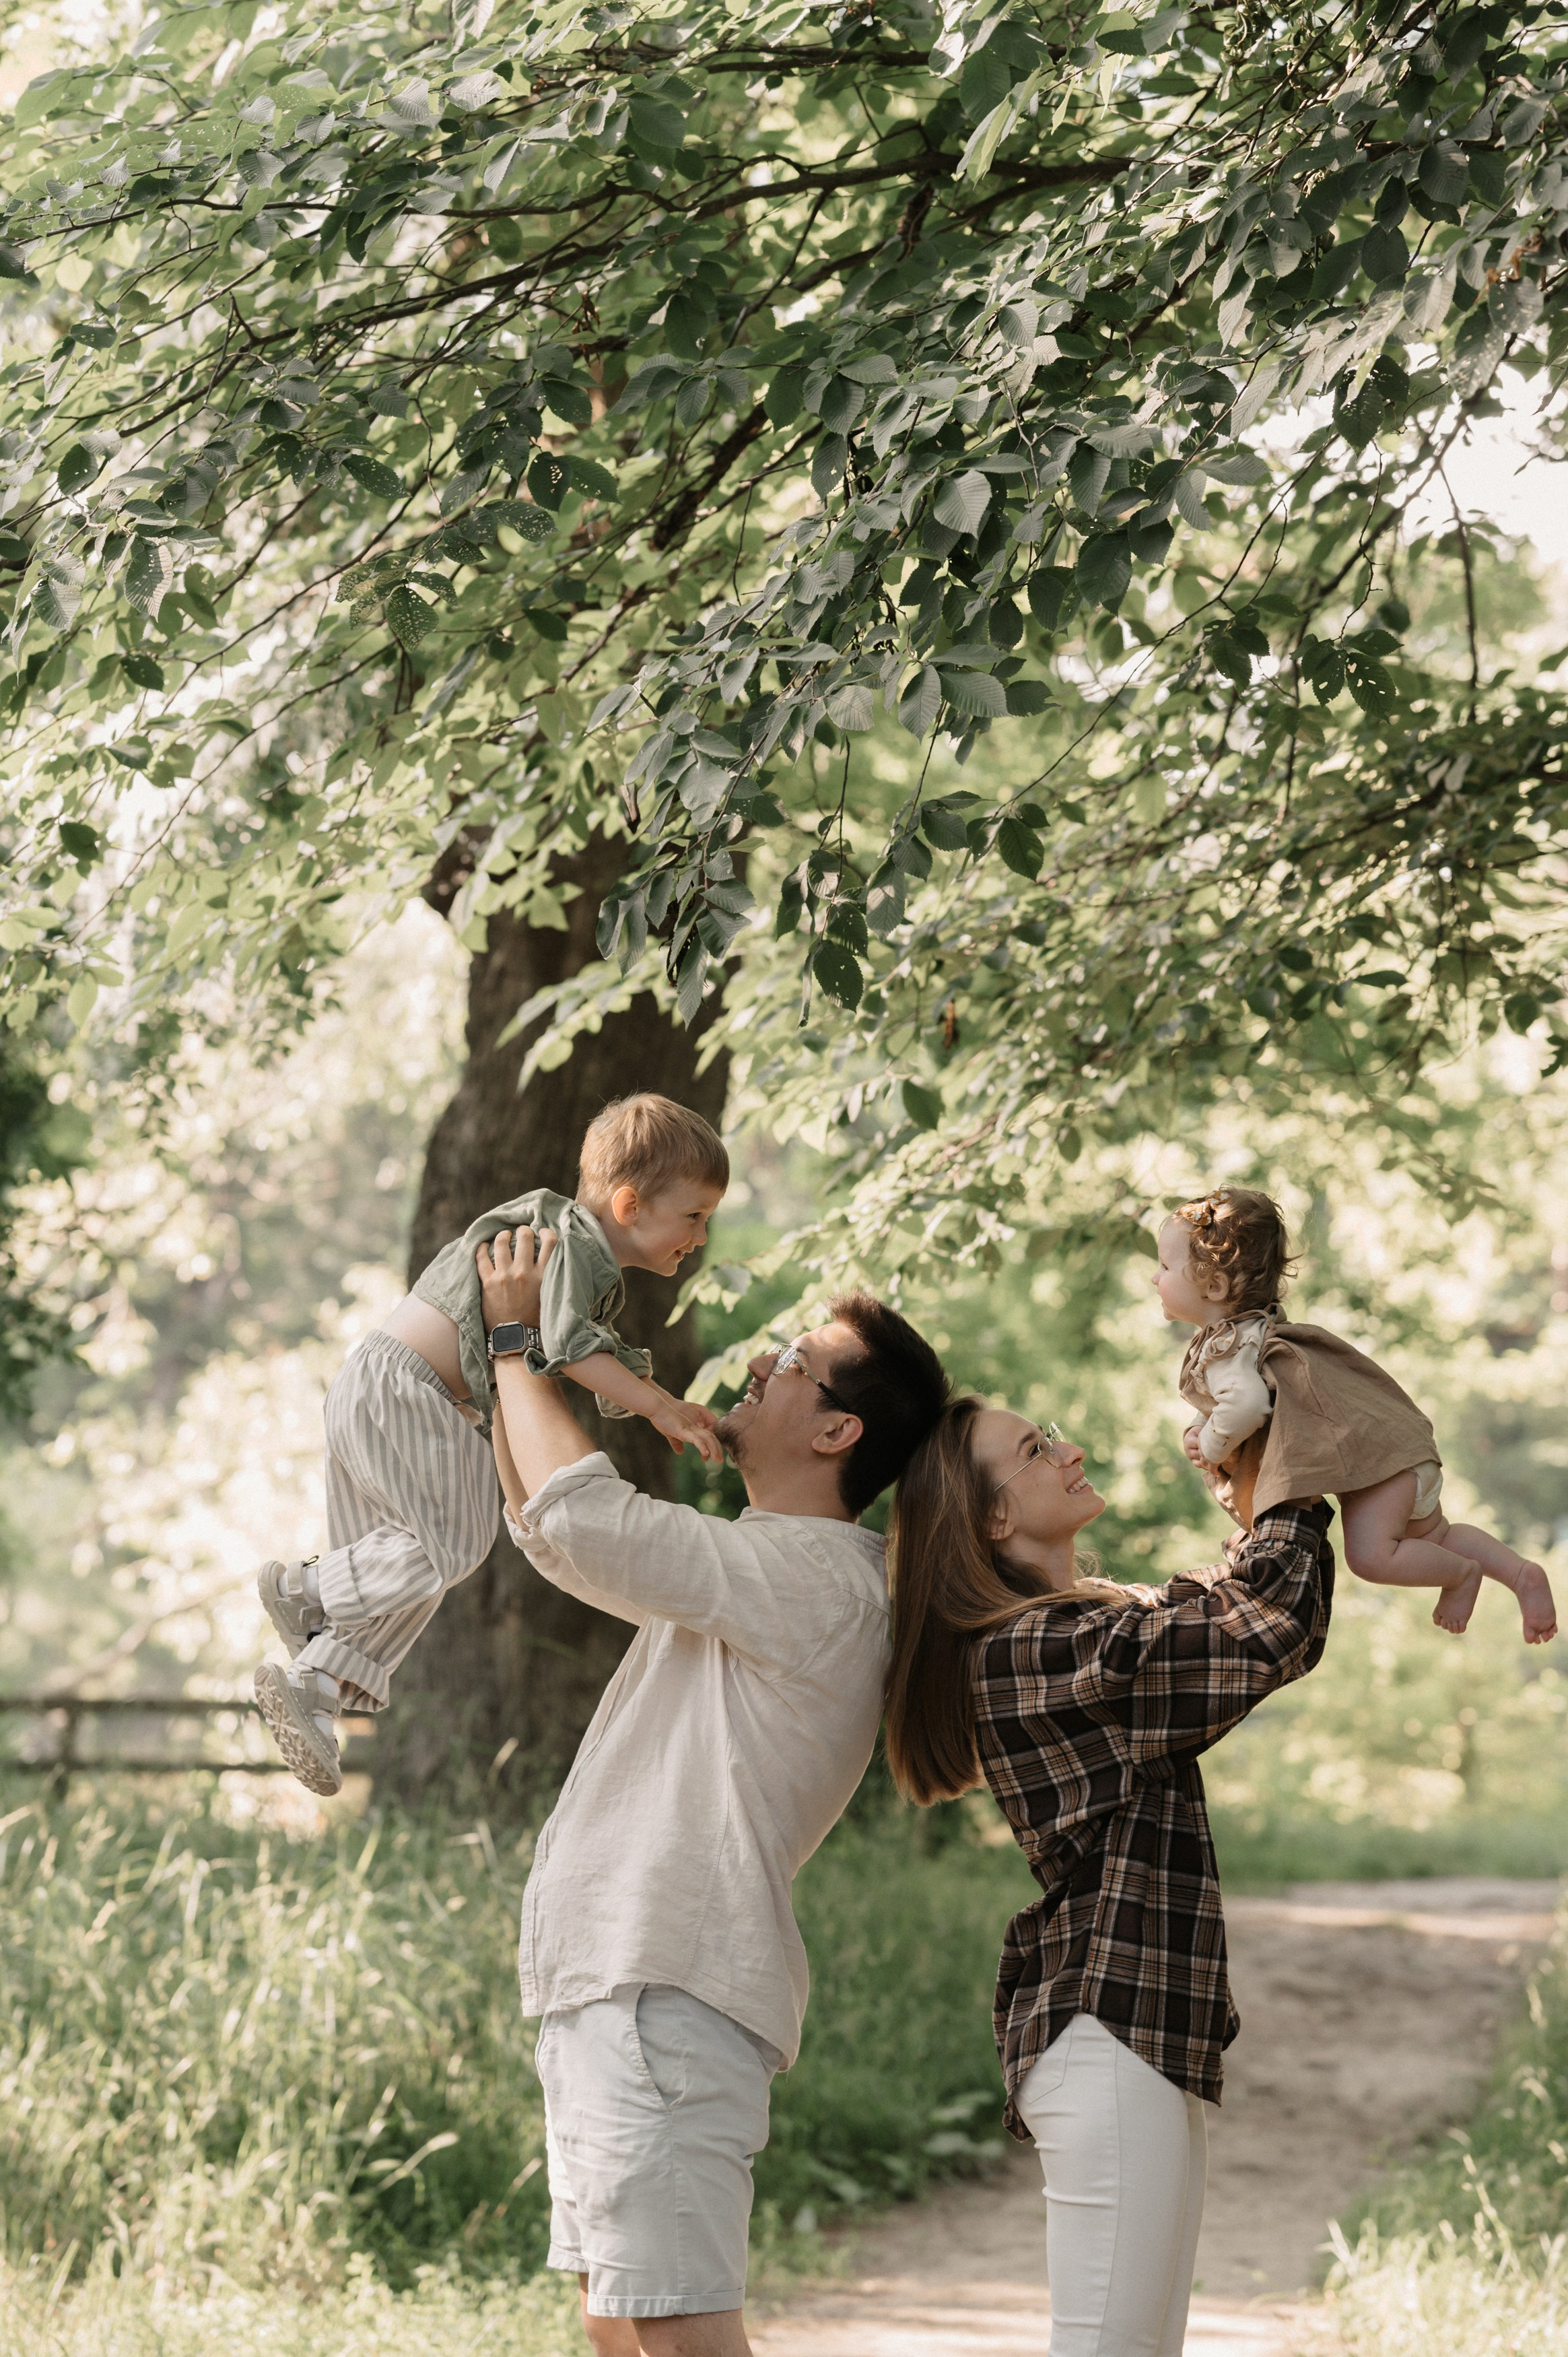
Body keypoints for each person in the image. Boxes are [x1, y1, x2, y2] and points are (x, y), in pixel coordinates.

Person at [477, 1224, 948, 2357]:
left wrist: (511, 1340)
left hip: (666, 1991)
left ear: (838, 1430)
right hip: (621, 1982)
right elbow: (558, 1538)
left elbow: (589, 1522)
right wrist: (499, 1365)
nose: (758, 1363)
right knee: (617, 2319)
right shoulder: (759, 1567)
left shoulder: (816, 1577)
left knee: (681, 2329)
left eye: (792, 1362)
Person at [883, 1399, 1335, 2357]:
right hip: (1110, 2038)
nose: (1069, 1449)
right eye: (1035, 1450)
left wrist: (1248, 1475)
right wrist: (1296, 1473)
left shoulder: (1088, 1625)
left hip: (1141, 2039)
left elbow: (1228, 1596)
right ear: (993, 1519)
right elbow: (1269, 1625)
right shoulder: (1033, 1653)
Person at [252, 1094, 729, 1797]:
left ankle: (314, 1689)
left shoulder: (577, 1256)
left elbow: (571, 1349)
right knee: (452, 1542)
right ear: (630, 1205)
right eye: (694, 1217)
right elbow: (565, 1349)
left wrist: (652, 1393)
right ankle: (307, 1588)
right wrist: (659, 1406)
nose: (701, 1236)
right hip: (406, 1392)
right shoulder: (574, 1247)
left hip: (393, 1392)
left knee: (415, 1574)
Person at [1158, 1185, 1555, 1641]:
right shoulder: (1250, 1332)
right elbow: (1232, 1399)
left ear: (1214, 1286)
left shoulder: (1231, 1346)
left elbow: (1246, 1404)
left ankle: (1461, 1576)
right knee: (1434, 1537)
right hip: (1395, 1450)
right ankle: (1520, 1574)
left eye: (1165, 1267)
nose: (1155, 1278)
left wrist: (1209, 1444)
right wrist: (1200, 1425)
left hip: (1377, 1469)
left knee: (1369, 1558)